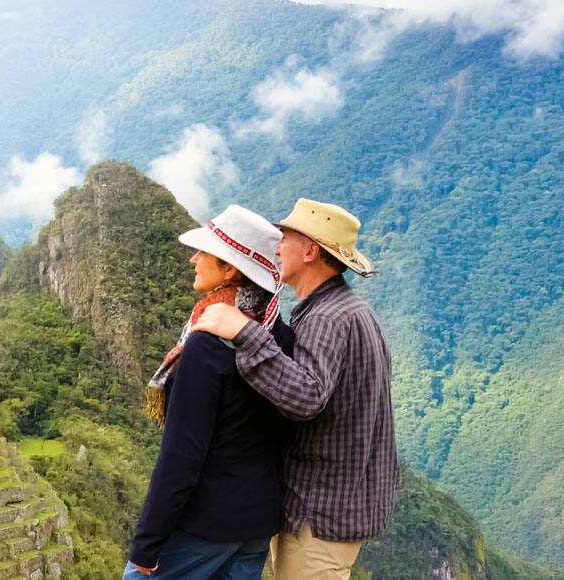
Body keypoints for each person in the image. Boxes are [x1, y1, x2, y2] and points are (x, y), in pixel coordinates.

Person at [194, 199, 397, 580]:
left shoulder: (326, 318)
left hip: (317, 513)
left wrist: (244, 332)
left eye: (285, 238)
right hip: (336, 507)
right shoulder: (351, 311)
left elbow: (306, 397)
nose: (277, 246)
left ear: (309, 251)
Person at [126, 205, 293, 580]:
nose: (193, 259)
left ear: (230, 269)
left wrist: (147, 543)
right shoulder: (279, 333)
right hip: (256, 525)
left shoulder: (206, 345)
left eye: (203, 253)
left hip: (205, 525)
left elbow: (182, 454)